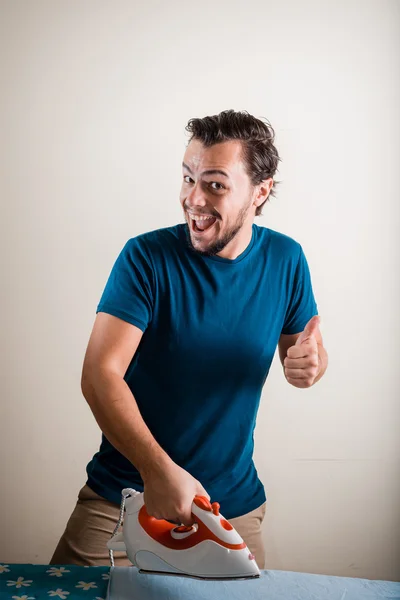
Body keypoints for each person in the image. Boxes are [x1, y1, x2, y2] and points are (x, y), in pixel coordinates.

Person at [50, 109, 328, 569]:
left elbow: (304, 356)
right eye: (187, 178)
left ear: (260, 192)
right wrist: (157, 472)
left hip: (232, 507)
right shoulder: (146, 258)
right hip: (122, 498)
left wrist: (309, 366)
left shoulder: (286, 260)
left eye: (215, 184)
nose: (193, 198)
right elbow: (100, 374)